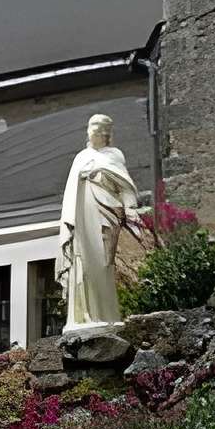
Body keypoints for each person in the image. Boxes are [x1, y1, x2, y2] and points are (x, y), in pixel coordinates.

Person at [58, 113, 143, 335]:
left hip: (107, 213)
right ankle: (82, 315)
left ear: (106, 133)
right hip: (82, 215)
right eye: (91, 127)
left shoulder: (115, 155)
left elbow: (125, 186)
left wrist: (130, 208)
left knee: (104, 263)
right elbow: (70, 193)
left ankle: (107, 314)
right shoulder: (80, 157)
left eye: (98, 128)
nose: (93, 132)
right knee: (83, 263)